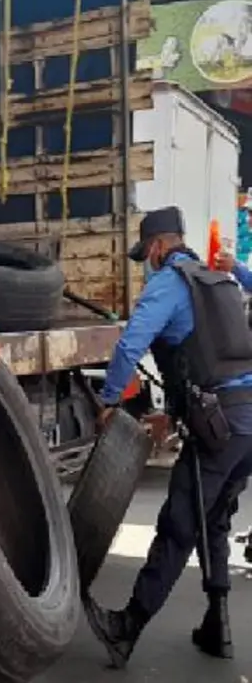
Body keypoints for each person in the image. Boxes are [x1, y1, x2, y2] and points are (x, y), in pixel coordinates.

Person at [84, 206, 252, 667]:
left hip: (218, 428)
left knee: (179, 523)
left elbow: (130, 343)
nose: (149, 262)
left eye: (148, 253)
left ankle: (127, 626)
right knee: (213, 517)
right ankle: (218, 626)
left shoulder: (170, 283)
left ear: (158, 246)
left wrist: (110, 401)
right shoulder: (220, 281)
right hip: (247, 425)